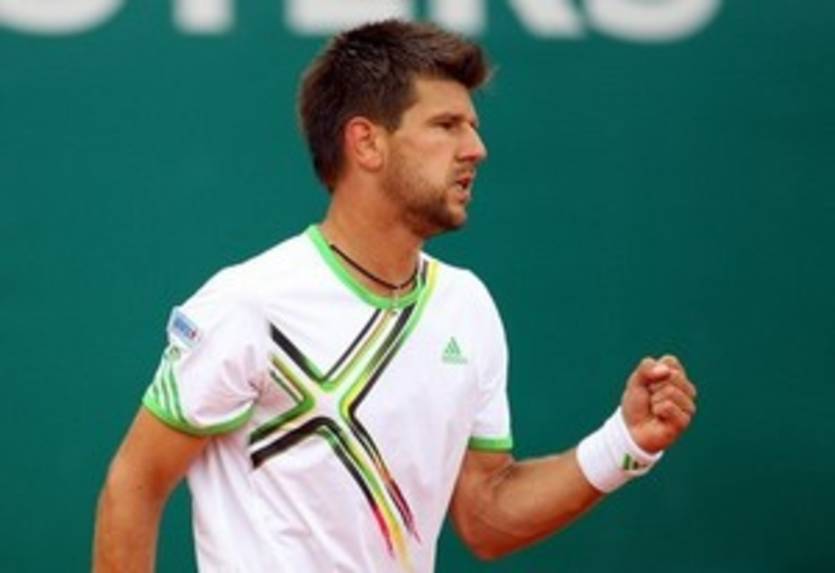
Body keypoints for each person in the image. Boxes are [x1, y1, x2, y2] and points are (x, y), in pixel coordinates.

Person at [93, 19, 697, 573]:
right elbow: (134, 486)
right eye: (446, 125)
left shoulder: (466, 306)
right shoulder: (248, 304)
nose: (476, 148)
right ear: (367, 143)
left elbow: (486, 516)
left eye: (473, 127)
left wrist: (625, 442)